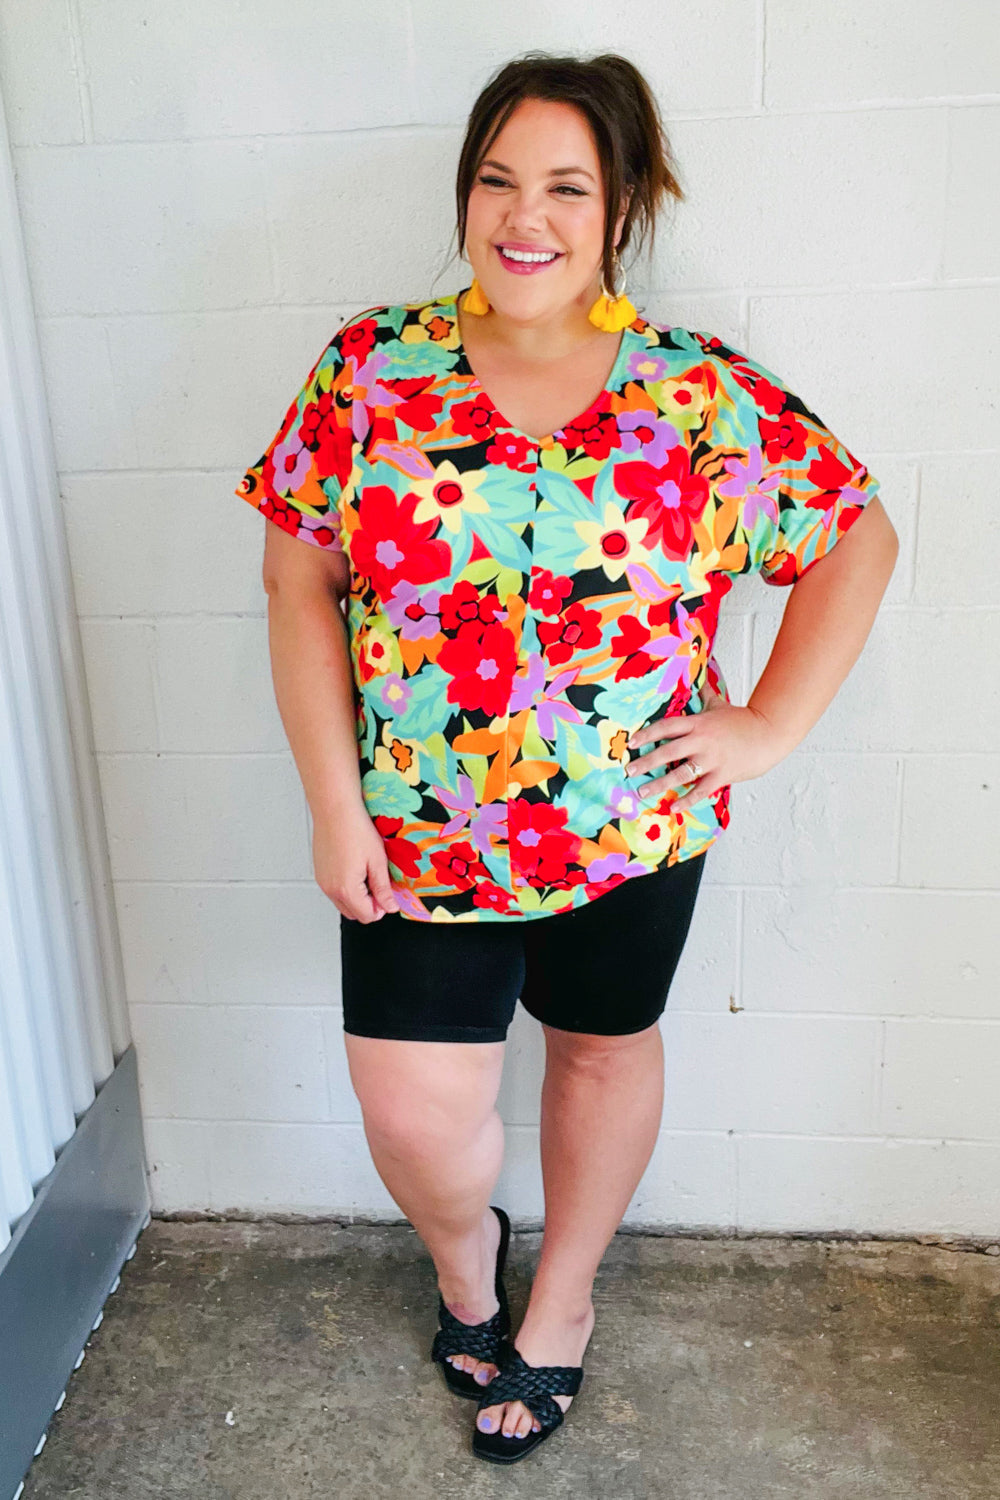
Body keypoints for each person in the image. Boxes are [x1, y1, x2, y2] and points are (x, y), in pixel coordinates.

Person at [234, 52, 898, 1464]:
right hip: (415, 833)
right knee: (415, 1112)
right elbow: (299, 585)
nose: (522, 217)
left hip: (631, 828)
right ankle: (469, 1265)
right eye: (496, 181)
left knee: (599, 1054)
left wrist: (767, 726)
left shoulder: (699, 398)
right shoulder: (372, 371)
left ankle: (565, 1303)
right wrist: (332, 804)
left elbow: (856, 539)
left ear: (620, 211)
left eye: (565, 188)